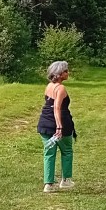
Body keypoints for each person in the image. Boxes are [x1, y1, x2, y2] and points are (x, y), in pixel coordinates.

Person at [37, 60, 76, 193]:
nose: (68, 73)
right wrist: (59, 127)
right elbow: (57, 108)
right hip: (60, 124)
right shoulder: (61, 88)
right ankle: (66, 180)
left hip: (44, 123)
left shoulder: (49, 86)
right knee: (67, 151)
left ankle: (48, 184)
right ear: (59, 74)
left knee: (49, 153)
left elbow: (49, 105)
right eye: (65, 71)